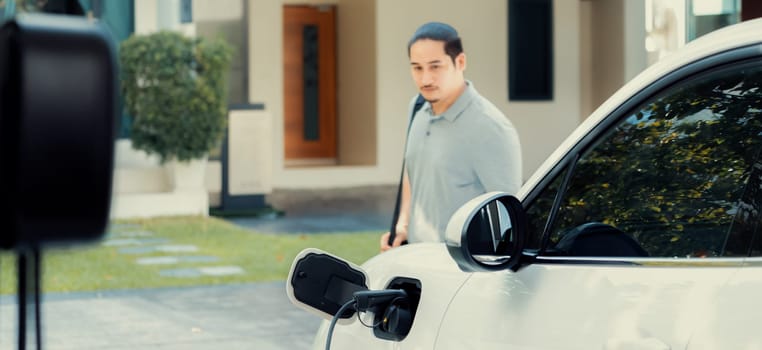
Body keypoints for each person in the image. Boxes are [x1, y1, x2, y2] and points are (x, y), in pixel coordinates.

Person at [380, 22, 522, 251]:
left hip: (461, 269)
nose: (425, 79)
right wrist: (403, 224)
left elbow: (509, 215)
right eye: (417, 68)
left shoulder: (491, 127)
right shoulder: (417, 107)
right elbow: (412, 167)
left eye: (435, 67)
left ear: (460, 62)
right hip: (416, 259)